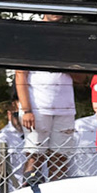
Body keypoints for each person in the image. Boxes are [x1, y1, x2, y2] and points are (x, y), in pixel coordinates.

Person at [15, 55, 77, 184]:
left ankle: (56, 192)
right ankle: (30, 190)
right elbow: (20, 75)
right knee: (35, 155)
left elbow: (81, 78)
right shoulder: (30, 47)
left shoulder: (68, 50)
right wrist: (27, 110)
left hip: (65, 108)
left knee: (60, 157)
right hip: (38, 108)